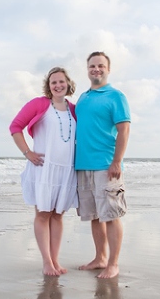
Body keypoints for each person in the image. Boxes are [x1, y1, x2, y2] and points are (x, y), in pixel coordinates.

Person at [10, 67, 79, 276]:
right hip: (44, 169)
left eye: (61, 81)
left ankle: (56, 260)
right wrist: (27, 152)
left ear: (68, 83)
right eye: (53, 82)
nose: (58, 85)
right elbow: (15, 127)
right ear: (48, 86)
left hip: (66, 170)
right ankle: (47, 262)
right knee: (43, 214)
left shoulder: (75, 109)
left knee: (58, 215)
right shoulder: (39, 104)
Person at [75, 52, 130, 279]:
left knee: (111, 215)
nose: (96, 69)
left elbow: (124, 130)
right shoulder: (83, 98)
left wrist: (116, 161)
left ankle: (113, 264)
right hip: (83, 166)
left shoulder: (116, 96)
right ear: (87, 69)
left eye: (100, 66)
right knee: (95, 216)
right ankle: (100, 258)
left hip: (106, 165)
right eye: (92, 66)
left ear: (108, 69)